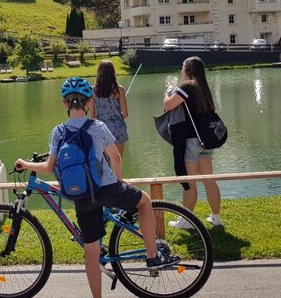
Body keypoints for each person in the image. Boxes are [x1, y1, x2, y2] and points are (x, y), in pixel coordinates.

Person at [15, 77, 173, 298]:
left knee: (91, 252)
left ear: (65, 104)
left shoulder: (58, 132)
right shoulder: (98, 126)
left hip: (81, 195)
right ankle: (152, 255)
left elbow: (50, 167)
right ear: (89, 103)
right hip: (107, 189)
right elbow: (115, 158)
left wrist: (25, 164)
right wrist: (118, 181)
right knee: (144, 201)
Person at [163, 56, 222, 228]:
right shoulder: (204, 87)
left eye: (183, 67)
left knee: (189, 183)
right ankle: (216, 217)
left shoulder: (187, 86)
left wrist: (168, 90)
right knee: (209, 180)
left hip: (191, 141)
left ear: (188, 70)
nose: (181, 71)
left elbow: (168, 105)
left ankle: (186, 221)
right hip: (205, 140)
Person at [89, 60, 130, 157]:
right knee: (117, 161)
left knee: (104, 163)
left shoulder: (92, 90)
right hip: (118, 128)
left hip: (101, 129)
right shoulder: (119, 90)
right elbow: (125, 114)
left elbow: (92, 115)